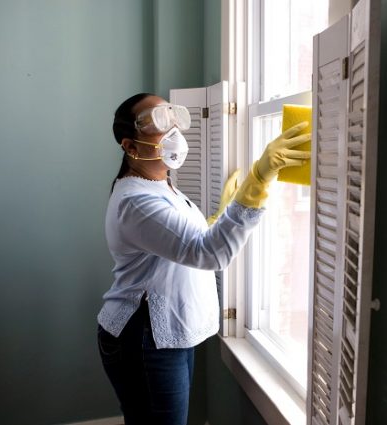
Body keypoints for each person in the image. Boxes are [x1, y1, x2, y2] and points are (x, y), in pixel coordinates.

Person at [97, 93, 310, 425]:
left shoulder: (159, 185)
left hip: (165, 331)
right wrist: (258, 180)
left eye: (171, 115)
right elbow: (209, 253)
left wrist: (221, 215)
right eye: (156, 122)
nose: (172, 130)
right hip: (144, 335)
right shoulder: (136, 200)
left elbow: (181, 243)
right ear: (131, 146)